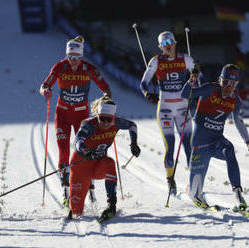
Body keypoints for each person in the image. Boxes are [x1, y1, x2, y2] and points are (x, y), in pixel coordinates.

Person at [39, 36, 112, 207]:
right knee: (64, 149)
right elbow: (44, 85)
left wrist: (107, 99)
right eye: (70, 57)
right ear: (66, 56)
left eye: (77, 58)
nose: (73, 62)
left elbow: (106, 88)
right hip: (62, 114)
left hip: (82, 117)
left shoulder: (88, 68)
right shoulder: (60, 66)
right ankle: (66, 188)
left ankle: (90, 186)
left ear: (81, 57)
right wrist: (45, 91)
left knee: (86, 150)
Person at [181, 64, 249, 210]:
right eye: (225, 82)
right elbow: (185, 94)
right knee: (195, 193)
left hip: (216, 141)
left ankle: (238, 194)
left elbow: (238, 121)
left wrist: (247, 140)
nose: (228, 86)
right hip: (200, 145)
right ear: (220, 80)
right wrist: (191, 79)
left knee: (229, 149)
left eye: (233, 84)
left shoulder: (235, 100)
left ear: (236, 84)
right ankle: (191, 191)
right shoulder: (210, 89)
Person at [67, 96, 141, 222]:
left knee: (110, 163)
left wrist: (134, 143)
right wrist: (84, 150)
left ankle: (111, 205)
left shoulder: (117, 123)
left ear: (113, 118)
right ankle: (72, 201)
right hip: (81, 165)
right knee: (76, 212)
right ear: (97, 116)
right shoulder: (89, 124)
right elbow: (77, 141)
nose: (105, 122)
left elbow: (132, 126)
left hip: (99, 164)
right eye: (102, 118)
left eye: (109, 119)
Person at [139, 31, 196, 195]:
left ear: (175, 42)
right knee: (169, 146)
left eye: (170, 41)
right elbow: (143, 82)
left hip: (183, 108)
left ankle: (194, 182)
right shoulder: (157, 60)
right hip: (164, 109)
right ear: (160, 46)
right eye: (164, 43)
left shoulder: (186, 58)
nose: (168, 45)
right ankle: (170, 181)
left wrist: (195, 84)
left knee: (188, 146)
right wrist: (147, 94)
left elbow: (199, 75)